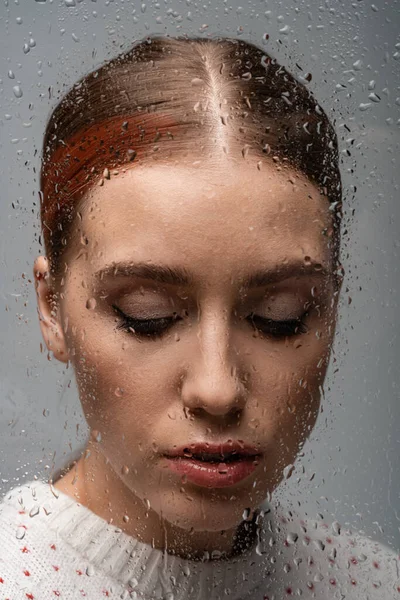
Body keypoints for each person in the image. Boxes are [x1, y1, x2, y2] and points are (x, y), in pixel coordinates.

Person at [0, 35, 398, 599]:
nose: (217, 389)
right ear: (51, 308)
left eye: (280, 316)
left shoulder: (375, 585)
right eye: (147, 315)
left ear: (330, 309)